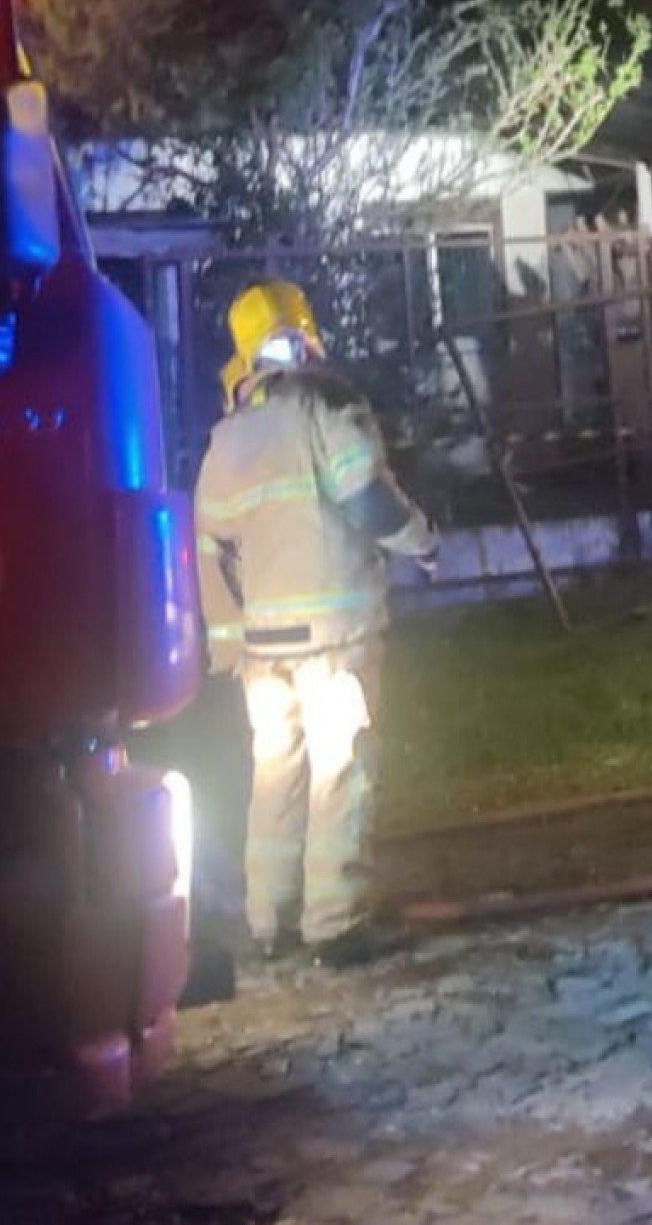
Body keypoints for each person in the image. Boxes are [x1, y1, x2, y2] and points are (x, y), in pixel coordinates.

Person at [195, 280, 437, 969]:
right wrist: (422, 540)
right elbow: (366, 498)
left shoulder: (227, 438)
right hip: (335, 638)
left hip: (262, 649)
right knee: (342, 769)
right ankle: (336, 924)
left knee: (275, 772)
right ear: (306, 333)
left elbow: (207, 545)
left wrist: (226, 641)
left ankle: (268, 919)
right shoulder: (327, 406)